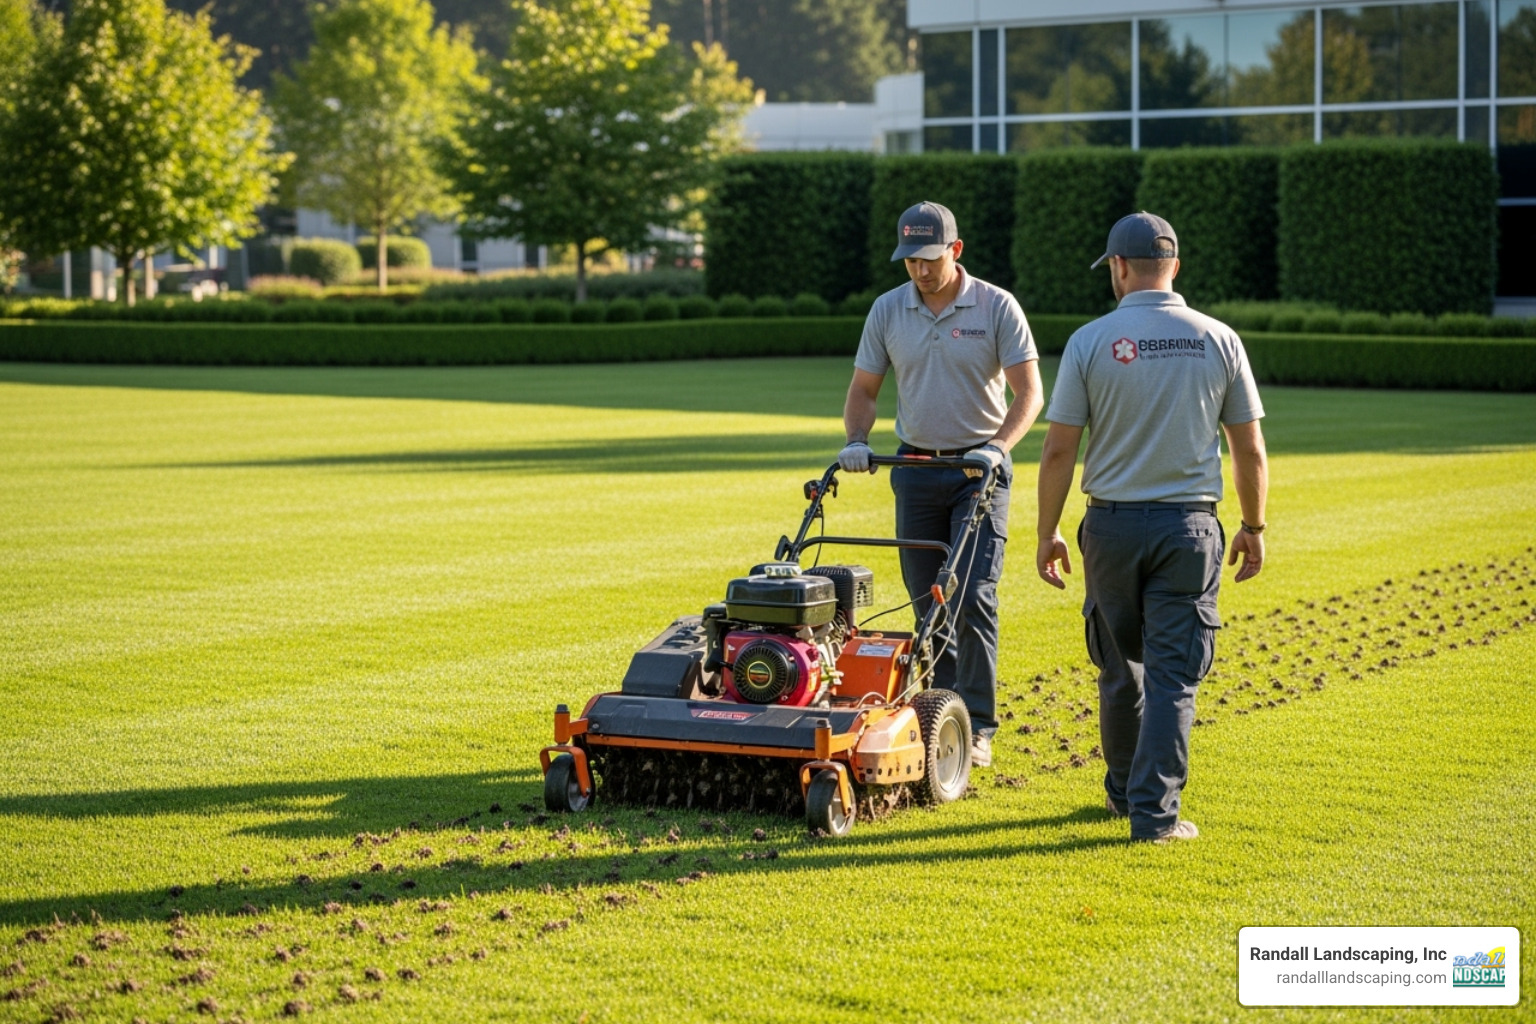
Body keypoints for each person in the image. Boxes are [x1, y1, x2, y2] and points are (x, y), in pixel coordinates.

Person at [1034, 211, 1268, 842]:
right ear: (1176, 267)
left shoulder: (1089, 341)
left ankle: (1122, 794)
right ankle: (1154, 816)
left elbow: (1058, 451)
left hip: (1108, 528)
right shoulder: (1219, 338)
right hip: (1188, 530)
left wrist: (1046, 532)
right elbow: (1248, 448)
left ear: (1118, 268)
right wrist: (1253, 525)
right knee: (1171, 677)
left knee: (1118, 668)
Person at [840, 200, 1044, 769]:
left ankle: (978, 724)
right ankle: (941, 711)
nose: (920, 271)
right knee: (927, 602)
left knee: (973, 596)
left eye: (930, 258)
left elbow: (1030, 393)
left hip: (980, 473)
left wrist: (998, 448)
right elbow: (864, 389)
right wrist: (857, 439)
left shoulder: (997, 305)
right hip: (915, 470)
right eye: (910, 259)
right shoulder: (888, 309)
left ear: (955, 251)